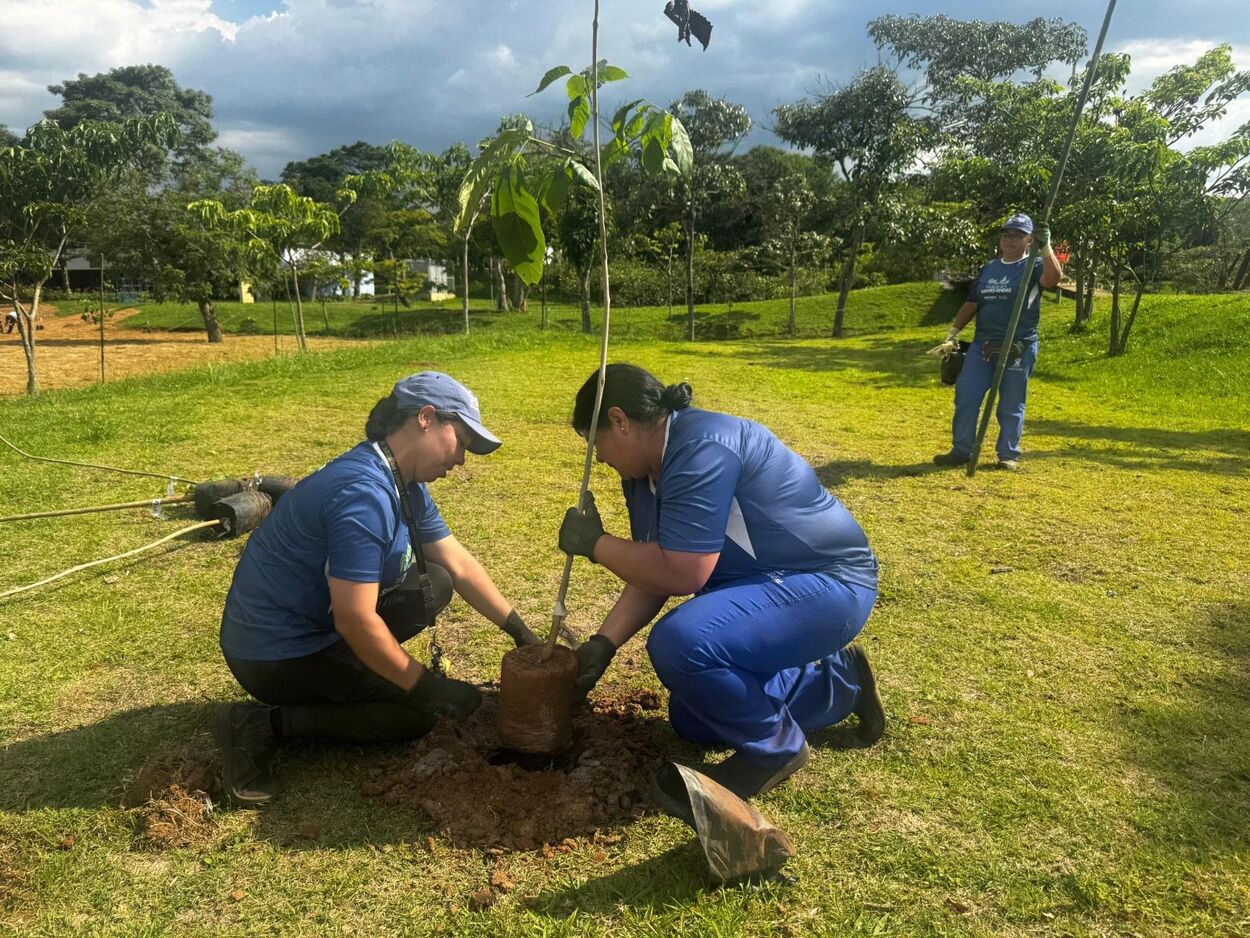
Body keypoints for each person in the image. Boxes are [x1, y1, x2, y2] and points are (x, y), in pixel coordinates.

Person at [557, 364, 884, 823]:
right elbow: (657, 568)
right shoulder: (643, 474)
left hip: (828, 583)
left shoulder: (702, 447)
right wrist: (603, 644)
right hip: (767, 585)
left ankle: (774, 748)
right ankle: (837, 683)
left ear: (619, 420)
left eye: (596, 444)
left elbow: (683, 571)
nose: (599, 458)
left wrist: (595, 544)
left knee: (682, 642)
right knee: (693, 716)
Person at [215, 372, 540, 805]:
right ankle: (264, 723)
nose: (462, 459)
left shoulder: (401, 480)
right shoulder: (363, 495)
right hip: (275, 653)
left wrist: (521, 632)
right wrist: (426, 687)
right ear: (426, 418)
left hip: (315, 621)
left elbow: (458, 564)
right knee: (416, 713)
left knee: (435, 583)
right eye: (461, 441)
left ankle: (359, 670)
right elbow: (355, 619)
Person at [932, 213, 1062, 471]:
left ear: (1028, 240)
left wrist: (1046, 247)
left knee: (1010, 403)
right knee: (966, 395)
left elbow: (1053, 279)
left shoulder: (1034, 266)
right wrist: (952, 333)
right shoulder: (989, 269)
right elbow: (972, 303)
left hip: (1017, 346)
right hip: (983, 346)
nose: (1010, 240)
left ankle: (1007, 455)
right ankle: (961, 451)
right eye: (1006, 234)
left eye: (1018, 235)